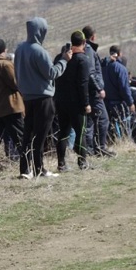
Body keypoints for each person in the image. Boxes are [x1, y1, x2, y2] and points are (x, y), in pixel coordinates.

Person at [14, 17, 71, 179]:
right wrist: (64, 61)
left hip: (27, 98)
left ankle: (25, 170)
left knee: (28, 135)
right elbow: (52, 73)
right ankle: (39, 169)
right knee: (41, 135)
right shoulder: (39, 51)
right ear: (41, 32)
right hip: (43, 99)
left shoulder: (20, 49)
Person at [0, 39, 25, 171]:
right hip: (10, 106)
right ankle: (27, 161)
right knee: (20, 136)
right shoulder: (6, 65)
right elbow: (16, 83)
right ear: (4, 50)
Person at [54, 31, 92, 171]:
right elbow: (83, 84)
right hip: (76, 104)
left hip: (61, 101)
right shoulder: (83, 60)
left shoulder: (61, 57)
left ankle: (61, 164)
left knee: (63, 132)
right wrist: (86, 103)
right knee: (80, 132)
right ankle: (82, 162)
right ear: (83, 43)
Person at [81, 25, 114, 157]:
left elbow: (95, 65)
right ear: (93, 36)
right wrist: (99, 88)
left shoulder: (85, 49)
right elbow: (90, 72)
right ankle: (100, 148)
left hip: (88, 92)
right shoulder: (89, 50)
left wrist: (106, 61)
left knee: (89, 122)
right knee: (103, 120)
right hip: (94, 92)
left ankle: (89, 149)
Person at [101, 45, 136, 143]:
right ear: (119, 54)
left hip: (106, 102)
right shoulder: (121, 69)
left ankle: (111, 144)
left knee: (110, 127)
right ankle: (125, 144)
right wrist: (130, 103)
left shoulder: (103, 67)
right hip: (119, 103)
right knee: (124, 125)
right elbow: (124, 88)